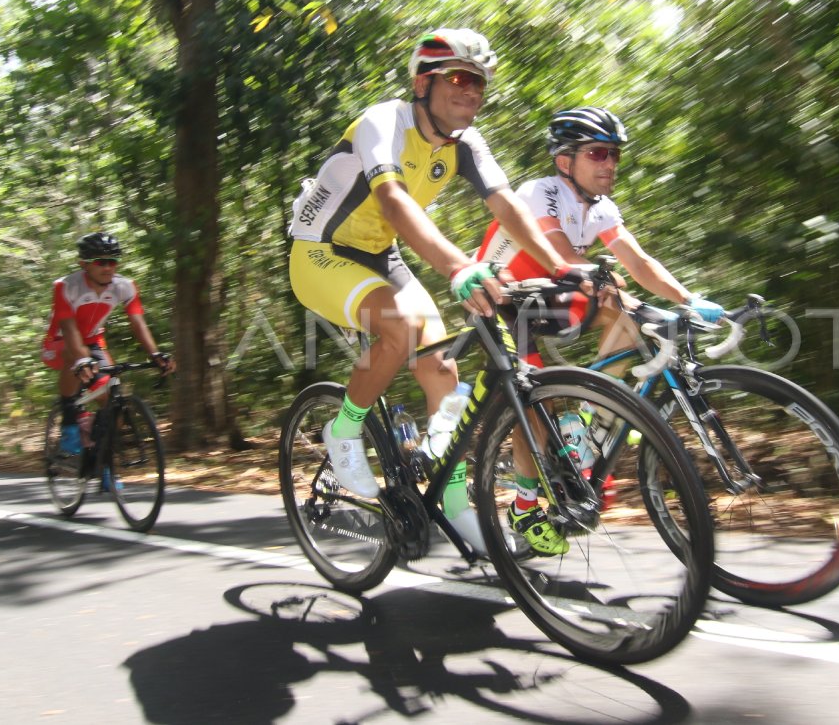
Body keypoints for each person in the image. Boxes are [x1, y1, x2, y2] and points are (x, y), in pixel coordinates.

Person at [286, 28, 584, 555]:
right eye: (460, 78)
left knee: (442, 372)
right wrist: (456, 267)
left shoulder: (467, 145)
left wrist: (562, 265)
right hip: (321, 250)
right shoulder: (384, 122)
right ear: (424, 82)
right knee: (399, 330)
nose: (472, 90)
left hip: (381, 255)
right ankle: (344, 430)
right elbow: (395, 201)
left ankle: (454, 505)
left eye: (480, 83)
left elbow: (508, 206)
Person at [475, 106, 724, 368]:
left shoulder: (602, 208)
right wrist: (637, 304)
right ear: (564, 162)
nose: (610, 163)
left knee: (622, 319)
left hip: (543, 295)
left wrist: (689, 300)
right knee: (535, 398)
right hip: (496, 298)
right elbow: (562, 255)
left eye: (614, 154)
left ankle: (590, 408)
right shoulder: (539, 191)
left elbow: (639, 262)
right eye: (597, 153)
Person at [41, 232, 175, 455]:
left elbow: (138, 323)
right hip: (59, 341)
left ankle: (101, 458)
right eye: (101, 262)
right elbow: (68, 327)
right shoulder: (66, 286)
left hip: (93, 341)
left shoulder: (125, 286)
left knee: (112, 401)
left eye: (112, 261)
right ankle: (68, 420)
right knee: (73, 354)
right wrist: (82, 358)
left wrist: (155, 354)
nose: (108, 268)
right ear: (84, 264)